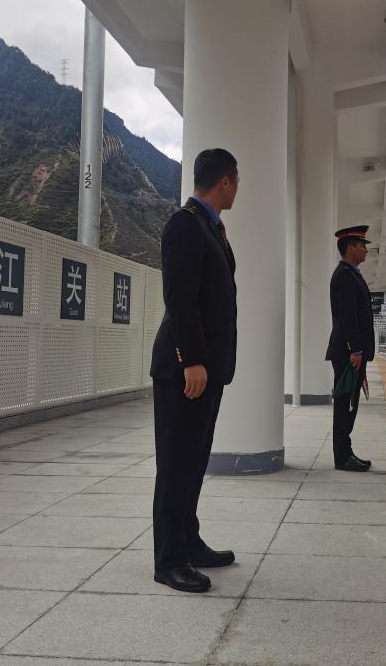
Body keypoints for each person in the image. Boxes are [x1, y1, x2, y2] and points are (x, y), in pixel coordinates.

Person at [149, 148, 239, 593]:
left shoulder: (210, 227)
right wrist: (193, 359)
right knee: (176, 465)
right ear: (225, 181)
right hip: (185, 370)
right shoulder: (185, 224)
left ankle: (189, 541)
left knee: (194, 462)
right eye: (236, 183)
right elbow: (180, 298)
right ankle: (169, 560)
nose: (237, 190)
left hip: (208, 369)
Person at [326, 225, 376, 472]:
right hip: (348, 353)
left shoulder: (350, 274)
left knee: (350, 404)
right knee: (345, 405)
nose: (366, 250)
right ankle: (343, 457)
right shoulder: (345, 275)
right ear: (350, 248)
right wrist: (355, 350)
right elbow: (348, 317)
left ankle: (346, 453)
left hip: (351, 353)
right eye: (362, 245)